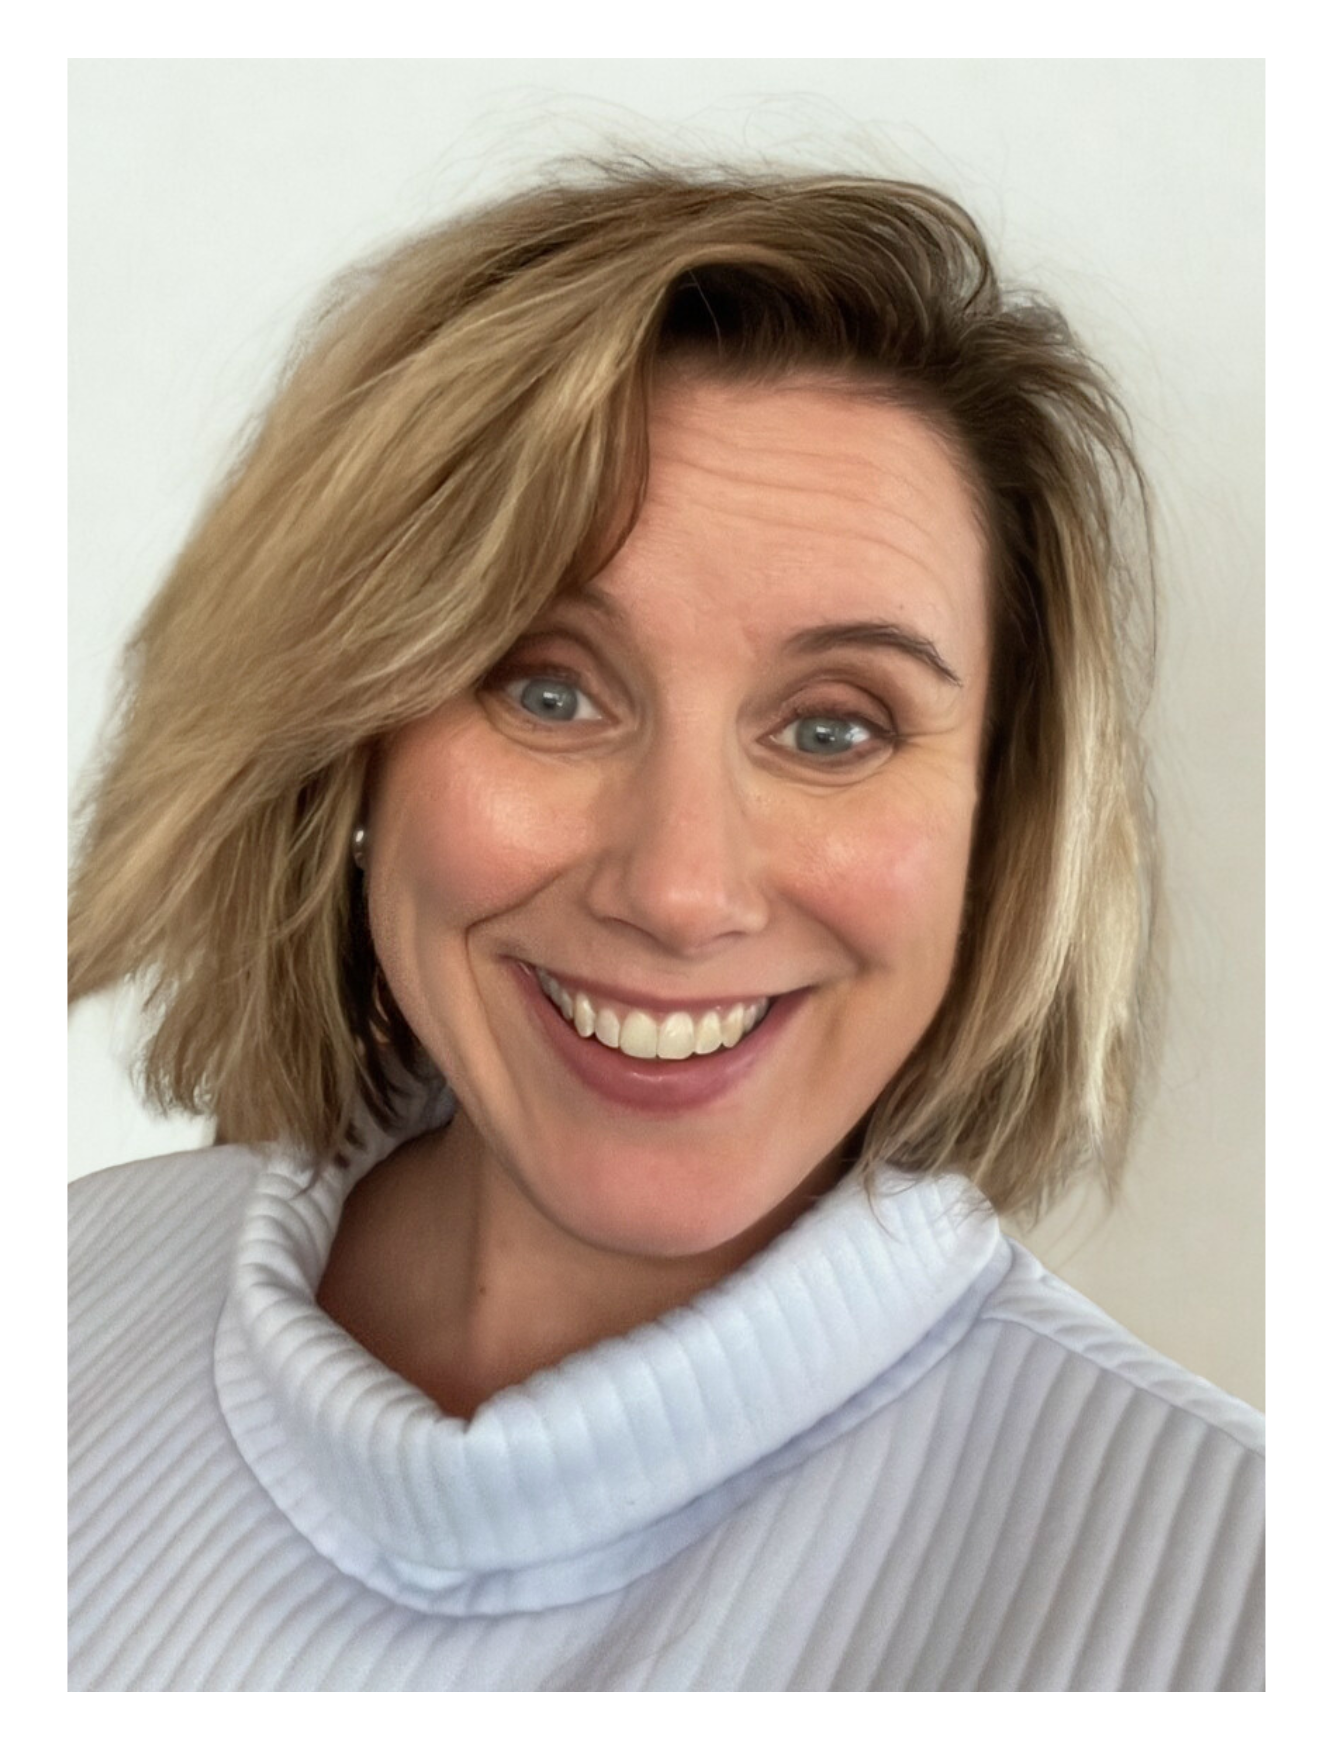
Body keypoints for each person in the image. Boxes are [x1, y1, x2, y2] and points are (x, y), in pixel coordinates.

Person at [67, 165, 1263, 1691]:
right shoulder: (63, 1283)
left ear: (1001, 821)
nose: (683, 889)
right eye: (549, 689)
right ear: (347, 745)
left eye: (834, 728)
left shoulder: (1243, 1592)